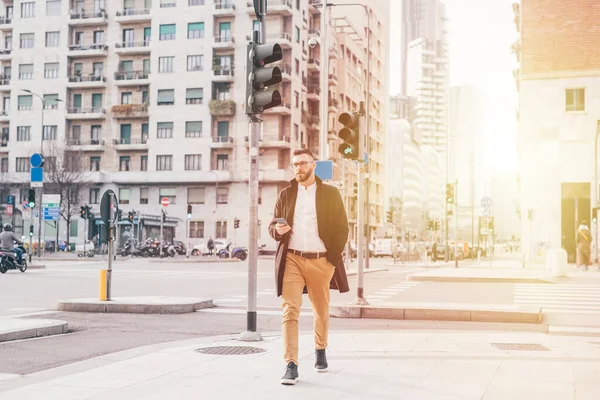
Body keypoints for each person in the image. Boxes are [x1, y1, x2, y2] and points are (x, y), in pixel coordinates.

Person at [269, 148, 350, 386]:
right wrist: (277, 230)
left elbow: (342, 228)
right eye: (294, 164)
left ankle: (320, 349)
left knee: (321, 311)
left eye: (302, 163)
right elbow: (272, 225)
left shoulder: (330, 194)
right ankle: (291, 364)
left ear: (313, 166)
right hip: (292, 258)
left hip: (321, 260)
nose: (298, 168)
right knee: (289, 310)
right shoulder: (285, 194)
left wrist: (331, 260)